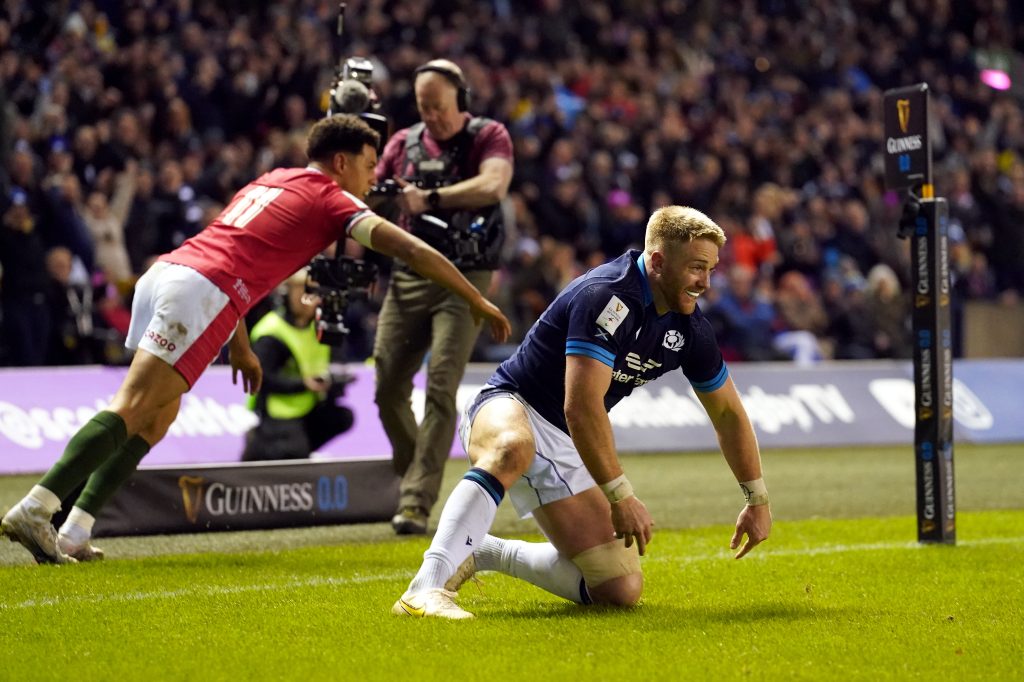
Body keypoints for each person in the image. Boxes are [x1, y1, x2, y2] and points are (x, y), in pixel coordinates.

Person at [0, 114, 511, 564]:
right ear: (341, 161)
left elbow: (238, 253)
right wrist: (475, 296)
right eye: (369, 163)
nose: (373, 175)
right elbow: (414, 252)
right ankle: (37, 507)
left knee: (158, 415)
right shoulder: (333, 200)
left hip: (174, 274)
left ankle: (74, 530)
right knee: (135, 405)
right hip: (200, 292)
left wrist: (240, 345)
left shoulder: (274, 178)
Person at [392, 206, 772, 619]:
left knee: (618, 587)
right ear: (659, 261)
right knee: (513, 447)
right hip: (511, 404)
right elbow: (583, 405)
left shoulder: (690, 330)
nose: (706, 282)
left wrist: (757, 499)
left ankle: (481, 548)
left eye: (711, 269)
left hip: (567, 439)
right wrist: (620, 495)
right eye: (697, 267)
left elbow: (729, 415)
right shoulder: (607, 295)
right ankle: (425, 587)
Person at [373, 59, 514, 535]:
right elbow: (369, 192)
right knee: (387, 384)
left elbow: (494, 184)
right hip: (409, 272)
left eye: (438, 106)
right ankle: (418, 471)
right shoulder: (401, 144)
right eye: (422, 106)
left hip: (465, 277)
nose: (431, 115)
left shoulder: (488, 135)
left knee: (440, 385)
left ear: (462, 101)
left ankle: (415, 501)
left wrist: (429, 199)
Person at [240, 270, 355, 462]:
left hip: (310, 406)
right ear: (288, 294)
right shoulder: (271, 331)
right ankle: (261, 441)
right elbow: (263, 379)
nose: (310, 300)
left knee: (343, 417)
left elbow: (337, 361)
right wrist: (303, 384)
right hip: (276, 412)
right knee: (294, 450)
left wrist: (335, 380)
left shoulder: (320, 328)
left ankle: (296, 444)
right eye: (304, 292)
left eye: (315, 294)